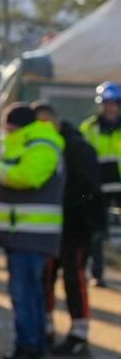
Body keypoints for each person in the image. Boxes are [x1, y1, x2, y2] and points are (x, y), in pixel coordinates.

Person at [0, 103, 66, 359]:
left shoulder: (42, 145)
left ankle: (28, 347)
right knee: (30, 293)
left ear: (15, 126)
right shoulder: (27, 144)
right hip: (22, 235)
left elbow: (29, 176)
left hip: (31, 236)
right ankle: (33, 345)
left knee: (25, 294)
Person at [35, 101, 105, 356]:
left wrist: (66, 205)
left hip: (75, 227)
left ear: (54, 120)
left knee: (74, 279)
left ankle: (79, 333)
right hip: (50, 226)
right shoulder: (42, 147)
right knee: (47, 277)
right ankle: (47, 327)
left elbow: (88, 190)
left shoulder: (77, 147)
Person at [83, 80, 121, 287]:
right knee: (96, 232)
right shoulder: (89, 128)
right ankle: (98, 273)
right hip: (98, 188)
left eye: (113, 102)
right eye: (106, 102)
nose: (110, 106)